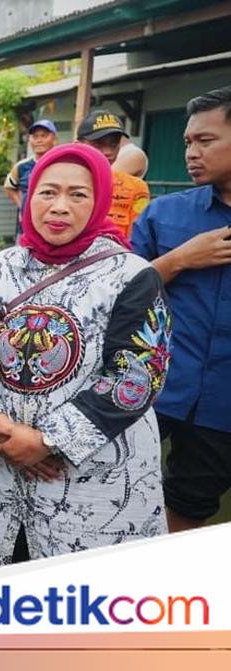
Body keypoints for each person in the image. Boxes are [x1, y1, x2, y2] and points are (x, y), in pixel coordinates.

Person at [0, 144, 169, 567]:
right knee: (0, 597)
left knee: (82, 604)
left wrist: (46, 442)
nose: (60, 207)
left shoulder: (132, 275)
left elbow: (137, 376)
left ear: (100, 200)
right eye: (47, 192)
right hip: (1, 465)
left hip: (92, 478)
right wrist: (3, 431)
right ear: (29, 197)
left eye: (78, 195)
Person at [131, 86, 231, 533]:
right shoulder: (164, 216)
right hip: (153, 390)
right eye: (188, 142)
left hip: (224, 405)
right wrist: (178, 260)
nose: (191, 152)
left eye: (205, 141)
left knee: (192, 504)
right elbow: (116, 295)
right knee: (115, 486)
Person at [77, 110, 151, 239]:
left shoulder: (136, 188)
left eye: (113, 144)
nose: (108, 152)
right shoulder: (59, 182)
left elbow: (138, 239)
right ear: (78, 145)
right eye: (98, 144)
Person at [4, 119, 58, 233]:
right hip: (26, 226)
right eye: (35, 136)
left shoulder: (61, 165)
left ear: (54, 138)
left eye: (44, 136)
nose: (39, 140)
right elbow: (9, 187)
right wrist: (21, 206)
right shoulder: (21, 167)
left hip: (53, 225)